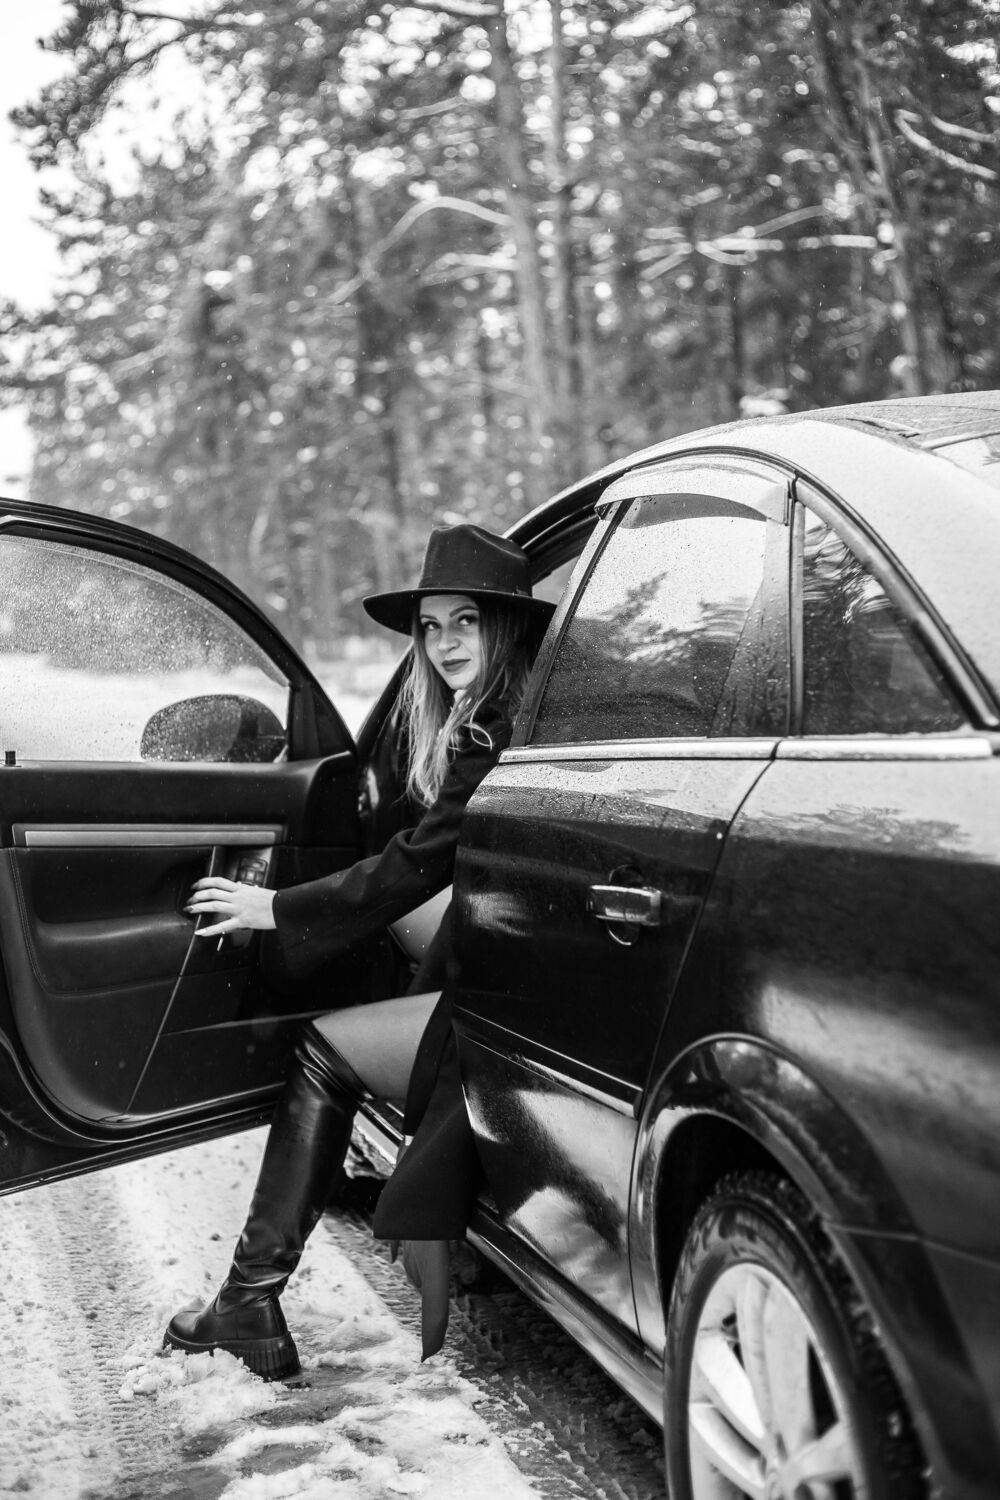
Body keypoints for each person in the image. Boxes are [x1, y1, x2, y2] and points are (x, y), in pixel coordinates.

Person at [163, 523, 552, 1379]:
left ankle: (249, 1297)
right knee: (392, 943)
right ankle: (254, 1292)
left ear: (506, 626)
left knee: (322, 1050)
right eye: (431, 627)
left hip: (513, 1004)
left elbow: (416, 864)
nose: (445, 644)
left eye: (467, 621)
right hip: (536, 966)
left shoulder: (492, 731)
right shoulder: (523, 711)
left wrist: (276, 906)